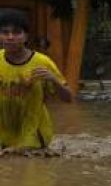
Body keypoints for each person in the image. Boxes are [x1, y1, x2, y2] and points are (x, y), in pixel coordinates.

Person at [0, 9, 73, 149]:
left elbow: (68, 99)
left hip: (34, 135)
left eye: (16, 32)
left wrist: (53, 80)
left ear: (26, 36)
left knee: (32, 169)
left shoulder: (43, 62)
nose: (10, 37)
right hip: (3, 134)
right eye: (5, 32)